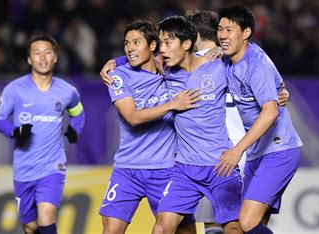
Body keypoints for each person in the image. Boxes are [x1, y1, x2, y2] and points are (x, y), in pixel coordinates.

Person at [98, 20, 199, 234]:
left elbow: (199, 57)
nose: (130, 48)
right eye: (127, 43)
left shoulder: (171, 70)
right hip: (128, 168)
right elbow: (132, 117)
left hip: (167, 169)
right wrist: (172, 104)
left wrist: (216, 50)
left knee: (183, 231)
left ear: (153, 46)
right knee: (110, 229)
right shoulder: (118, 76)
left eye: (136, 42)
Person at [214, 4, 303, 234]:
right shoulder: (226, 59)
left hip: (278, 150)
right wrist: (117, 63)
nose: (223, 35)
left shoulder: (256, 64)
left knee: (246, 221)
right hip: (259, 153)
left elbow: (270, 111)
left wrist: (237, 151)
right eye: (220, 29)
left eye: (229, 29)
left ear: (246, 33)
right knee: (251, 227)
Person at [152, 16, 242, 234]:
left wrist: (280, 90)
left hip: (220, 165)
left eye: (167, 43)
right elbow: (135, 55)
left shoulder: (218, 66)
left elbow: (251, 64)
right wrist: (114, 62)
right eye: (160, 43)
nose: (161, 50)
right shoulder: (164, 71)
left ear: (186, 44)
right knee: (161, 229)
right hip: (185, 169)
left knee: (233, 228)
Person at [0, 34, 85, 234]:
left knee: (46, 218)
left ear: (55, 58)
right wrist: (14, 131)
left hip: (53, 167)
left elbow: (78, 114)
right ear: (29, 59)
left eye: (47, 52)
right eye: (37, 53)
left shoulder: (68, 91)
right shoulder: (15, 89)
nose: (43, 58)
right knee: (31, 225)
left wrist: (75, 130)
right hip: (24, 169)